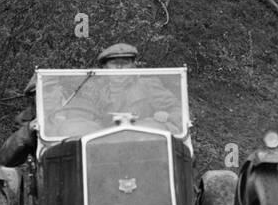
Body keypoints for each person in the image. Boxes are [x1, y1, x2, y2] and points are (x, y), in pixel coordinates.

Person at [50, 43, 182, 136]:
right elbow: (80, 117)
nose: (119, 68)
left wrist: (167, 116)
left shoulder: (148, 85)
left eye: (124, 64)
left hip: (141, 145)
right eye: (114, 63)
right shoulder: (92, 89)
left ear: (133, 66)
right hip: (100, 148)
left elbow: (179, 111)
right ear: (105, 68)